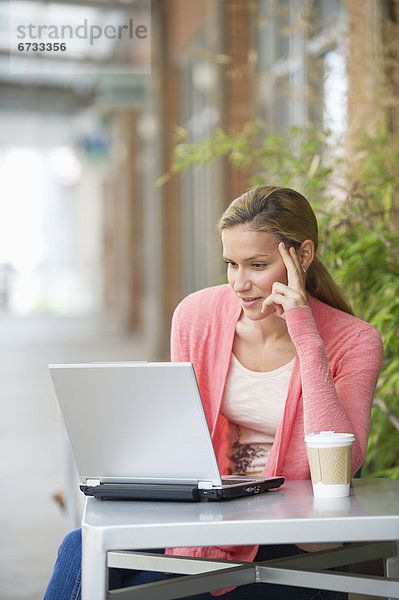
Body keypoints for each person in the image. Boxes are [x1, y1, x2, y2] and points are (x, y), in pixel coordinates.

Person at [44, 185, 383, 600]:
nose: (240, 283)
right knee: (78, 549)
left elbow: (340, 462)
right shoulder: (196, 316)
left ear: (303, 256)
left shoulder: (355, 340)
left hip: (293, 532)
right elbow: (180, 432)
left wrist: (304, 332)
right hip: (208, 512)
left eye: (257, 265)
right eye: (231, 264)